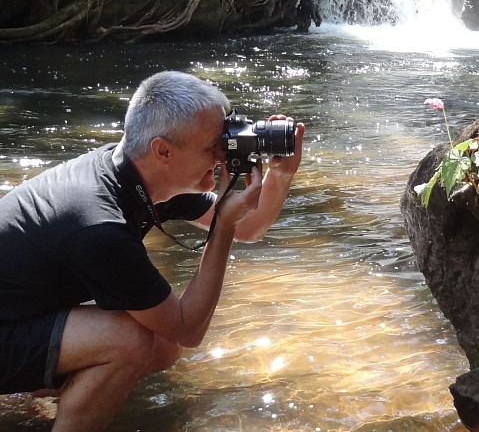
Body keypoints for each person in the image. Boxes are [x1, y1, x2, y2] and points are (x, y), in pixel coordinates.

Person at [0, 70, 304, 431]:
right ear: (163, 150)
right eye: (213, 146)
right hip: (8, 326)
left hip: (17, 314)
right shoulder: (98, 222)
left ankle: (40, 395)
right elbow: (188, 328)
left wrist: (280, 176)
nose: (223, 154)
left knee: (160, 342)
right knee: (131, 340)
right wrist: (221, 226)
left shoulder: (137, 172)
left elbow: (250, 228)